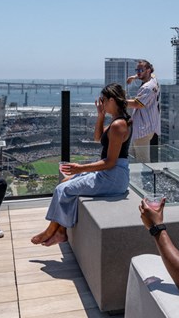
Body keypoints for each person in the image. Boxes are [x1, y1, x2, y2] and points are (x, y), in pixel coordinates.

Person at [31, 83, 132, 246]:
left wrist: (80, 168)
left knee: (61, 189)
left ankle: (52, 231)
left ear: (112, 100)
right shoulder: (117, 122)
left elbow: (111, 162)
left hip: (113, 177)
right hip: (111, 174)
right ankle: (61, 231)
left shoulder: (119, 125)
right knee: (65, 181)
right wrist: (100, 116)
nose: (102, 104)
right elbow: (98, 138)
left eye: (103, 100)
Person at [125, 59, 160, 162]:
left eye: (141, 70)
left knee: (143, 161)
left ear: (148, 70)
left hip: (143, 128)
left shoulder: (147, 87)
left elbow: (137, 104)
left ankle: (147, 178)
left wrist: (118, 101)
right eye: (137, 70)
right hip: (147, 126)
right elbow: (151, 75)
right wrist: (134, 77)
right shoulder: (153, 80)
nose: (138, 72)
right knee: (131, 156)